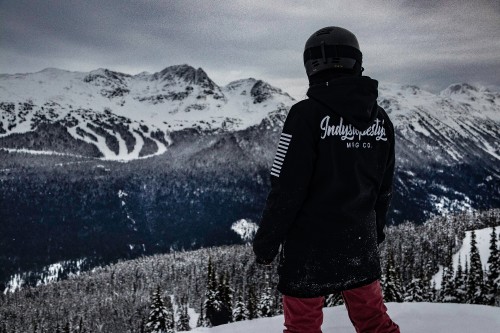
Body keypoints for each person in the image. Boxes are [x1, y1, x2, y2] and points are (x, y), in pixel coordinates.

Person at [253, 26, 400, 333]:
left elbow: (286, 188)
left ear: (311, 66)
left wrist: (266, 245)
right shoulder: (381, 119)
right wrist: (374, 235)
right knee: (374, 321)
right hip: (359, 243)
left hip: (308, 249)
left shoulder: (304, 115)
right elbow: (383, 189)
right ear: (355, 61)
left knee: (302, 328)